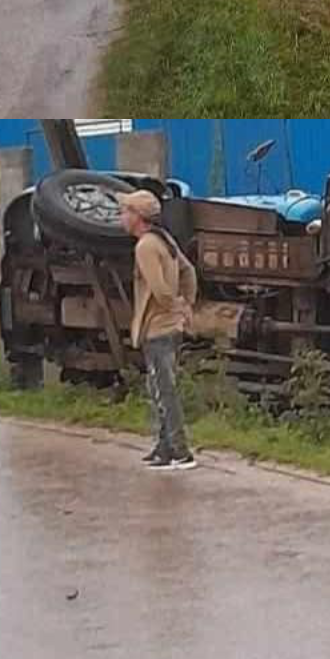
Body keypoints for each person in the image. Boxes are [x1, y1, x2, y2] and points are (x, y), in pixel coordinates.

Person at [119, 191, 199, 471]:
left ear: (137, 217)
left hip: (158, 328)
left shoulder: (145, 246)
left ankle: (180, 451)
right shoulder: (164, 239)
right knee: (159, 388)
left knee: (164, 391)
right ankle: (163, 449)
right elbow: (188, 271)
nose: (121, 217)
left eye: (125, 212)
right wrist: (187, 302)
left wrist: (175, 304)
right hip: (167, 327)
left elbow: (159, 288)